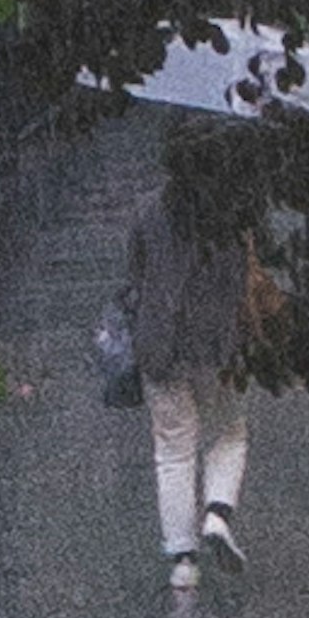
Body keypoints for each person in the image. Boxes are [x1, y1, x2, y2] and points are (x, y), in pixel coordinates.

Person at [120, 189, 259, 581]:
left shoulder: (147, 208)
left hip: (160, 343)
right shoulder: (231, 209)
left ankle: (183, 561)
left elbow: (135, 274)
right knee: (229, 431)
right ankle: (217, 516)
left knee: (173, 451)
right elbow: (243, 276)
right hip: (217, 343)